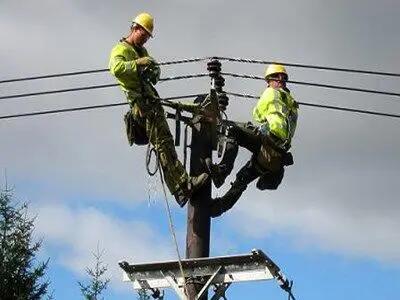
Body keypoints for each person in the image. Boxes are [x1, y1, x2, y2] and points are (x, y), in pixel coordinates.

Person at [108, 12, 208, 207]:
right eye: (143, 34)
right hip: (142, 106)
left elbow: (152, 75)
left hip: (152, 102)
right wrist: (137, 64)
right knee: (163, 145)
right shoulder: (121, 49)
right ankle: (182, 185)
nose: (145, 39)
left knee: (166, 144)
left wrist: (154, 70)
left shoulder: (142, 52)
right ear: (135, 28)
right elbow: (116, 68)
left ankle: (180, 189)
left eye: (147, 36)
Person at [206, 64, 298, 217]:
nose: (280, 79)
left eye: (281, 77)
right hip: (276, 158)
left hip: (269, 141)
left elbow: (258, 114)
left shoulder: (271, 93)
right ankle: (218, 208)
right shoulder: (293, 105)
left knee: (233, 131)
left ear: (267, 81)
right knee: (242, 179)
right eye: (278, 77)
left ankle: (222, 171)